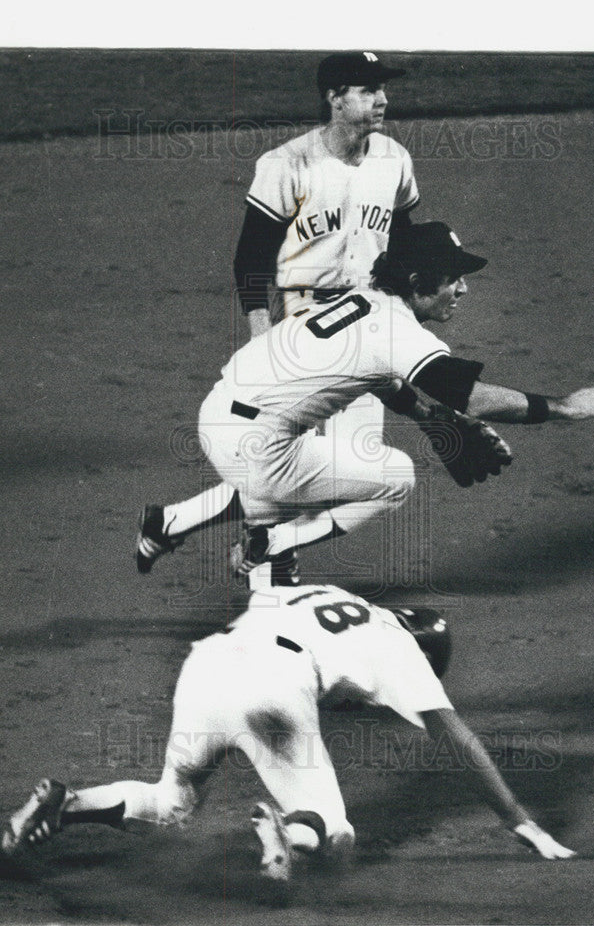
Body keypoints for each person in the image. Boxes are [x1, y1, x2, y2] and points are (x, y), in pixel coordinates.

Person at [136, 221, 594, 585]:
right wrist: (564, 408)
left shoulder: (362, 300)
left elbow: (381, 378)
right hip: (258, 445)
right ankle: (270, 543)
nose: (463, 287)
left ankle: (169, 522)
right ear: (417, 281)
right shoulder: (396, 329)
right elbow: (468, 395)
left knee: (299, 473)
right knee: (393, 479)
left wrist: (429, 417)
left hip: (223, 414)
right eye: (453, 277)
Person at [1, 584, 575, 888]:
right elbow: (458, 742)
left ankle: (66, 803)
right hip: (272, 688)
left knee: (174, 801)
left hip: (204, 665)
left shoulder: (334, 597)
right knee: (337, 828)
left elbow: (267, 576)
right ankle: (288, 833)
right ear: (426, 650)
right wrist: (519, 820)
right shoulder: (404, 651)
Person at [137, 50, 420, 583]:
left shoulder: (395, 160)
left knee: (338, 471)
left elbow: (406, 249)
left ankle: (175, 522)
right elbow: (250, 257)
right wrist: (262, 334)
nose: (382, 99)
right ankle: (270, 586)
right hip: (301, 325)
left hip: (366, 325)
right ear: (335, 100)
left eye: (383, 88)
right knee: (298, 469)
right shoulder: (285, 164)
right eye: (367, 90)